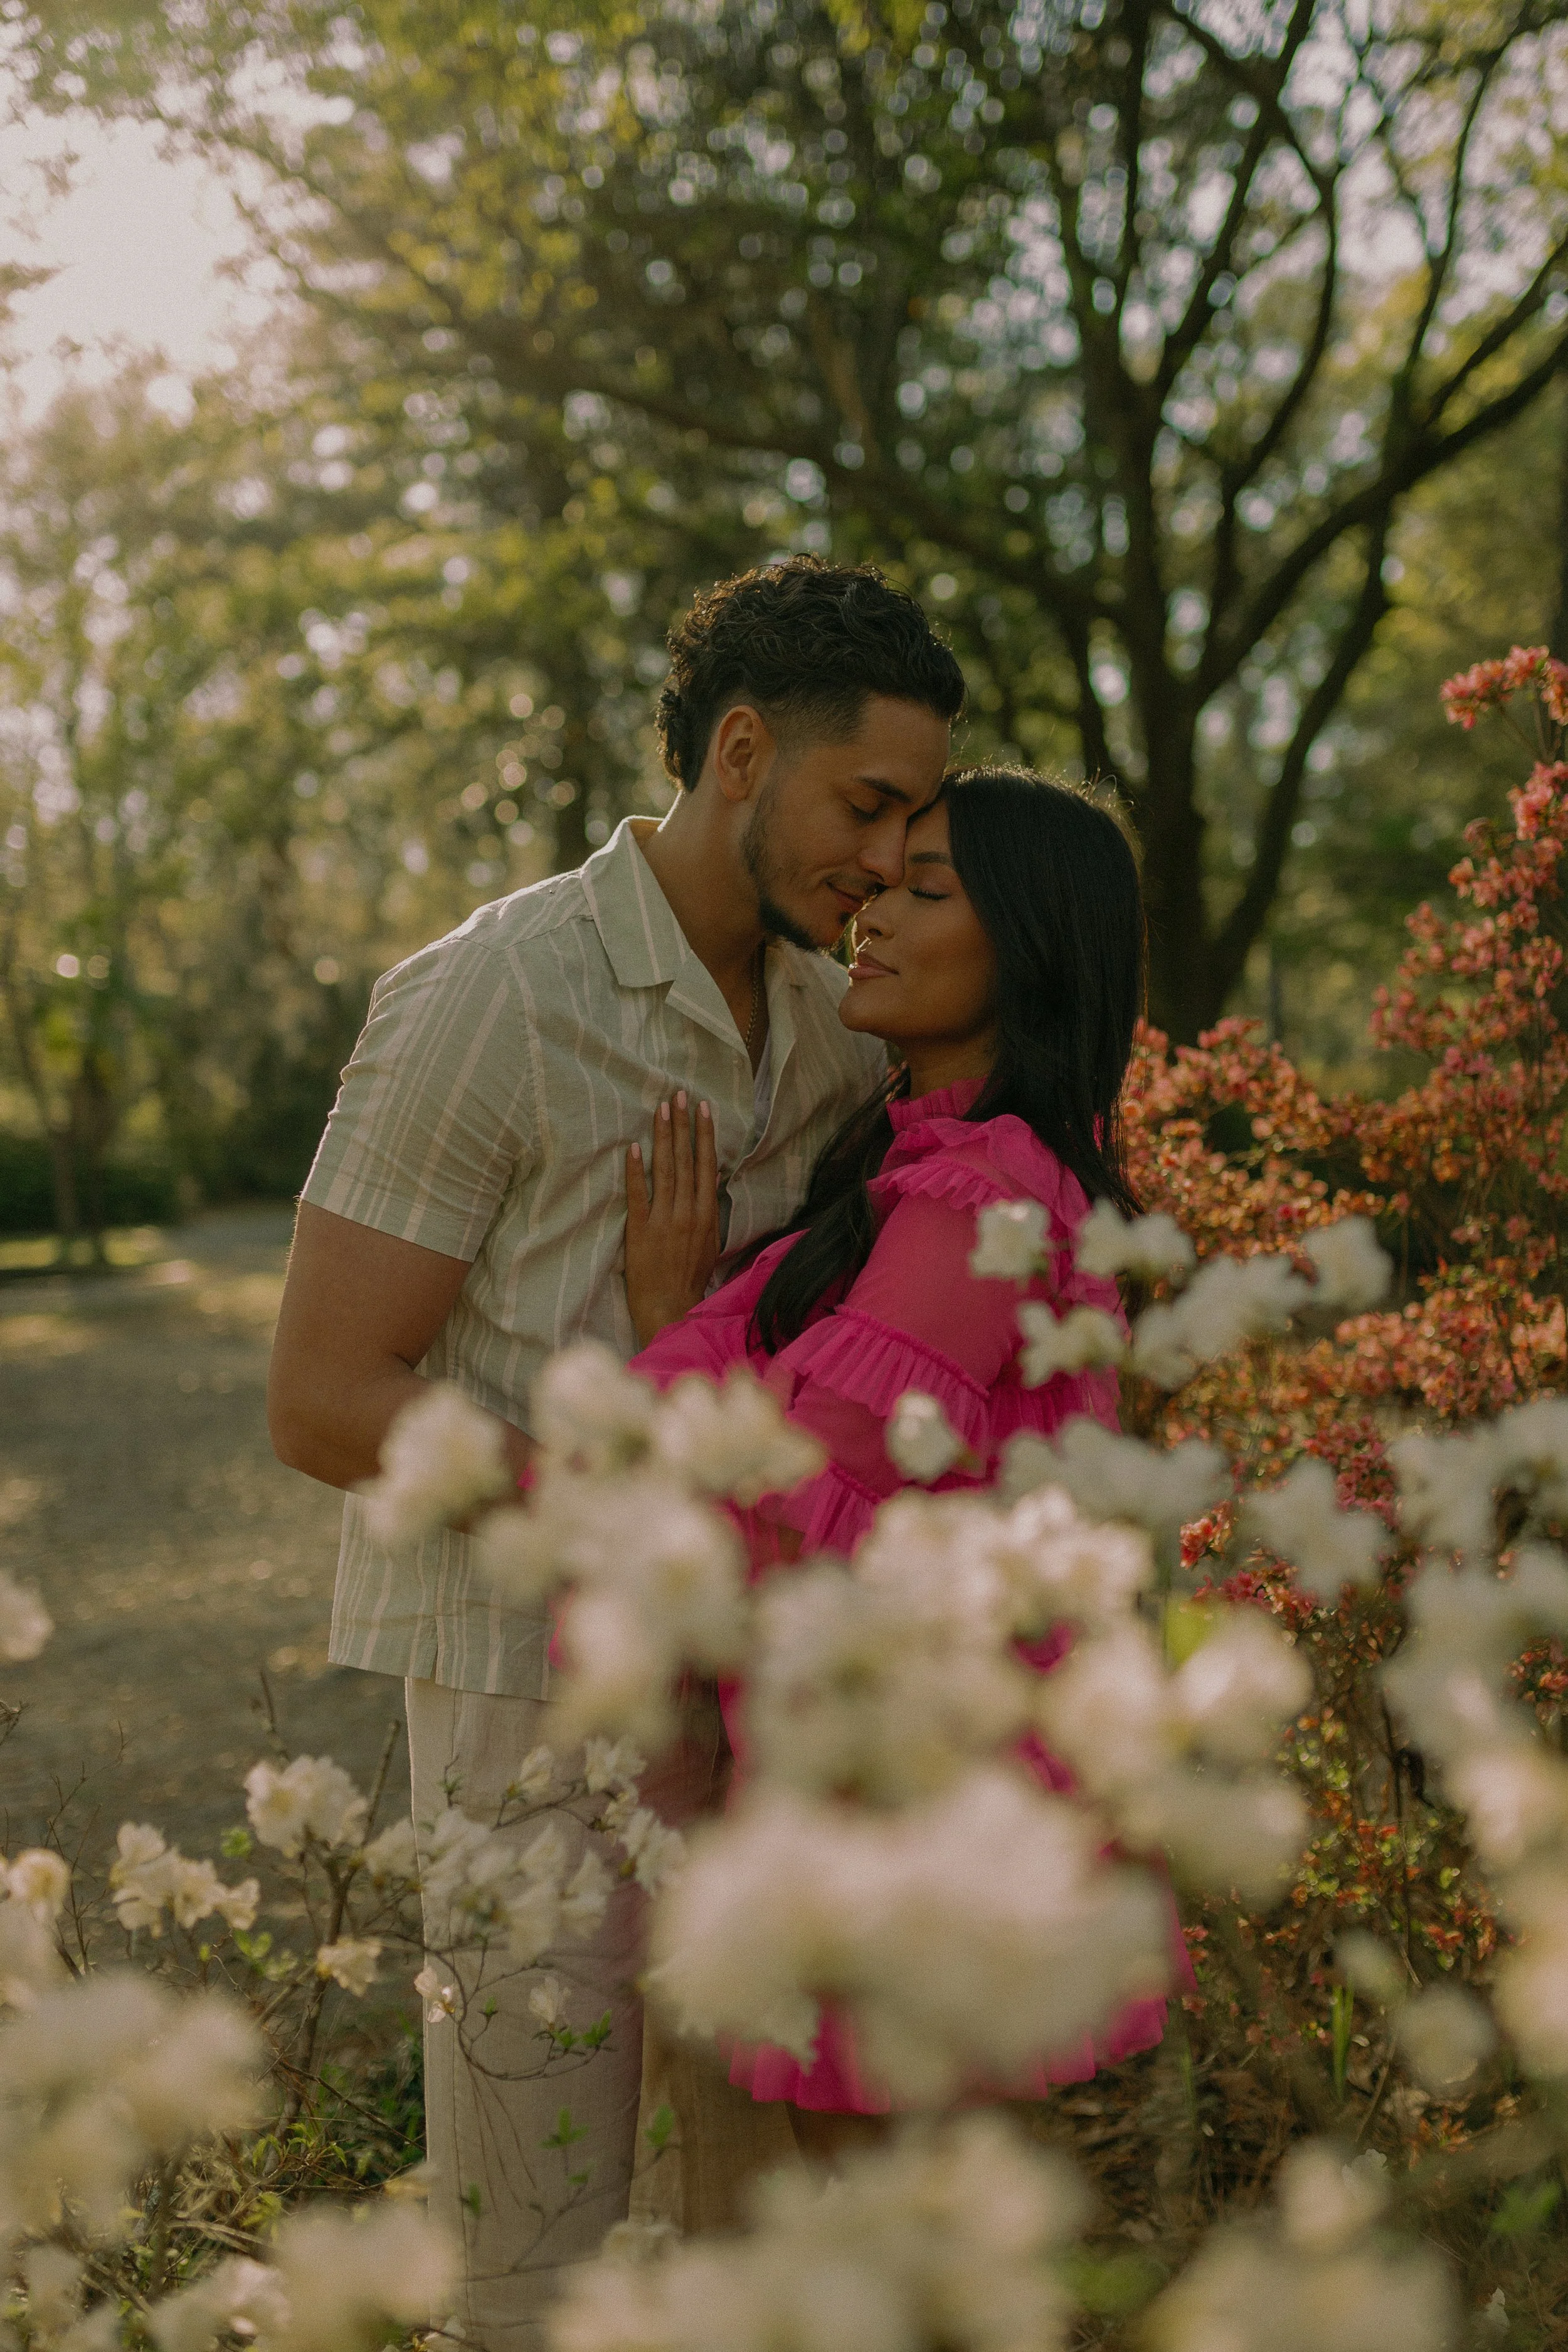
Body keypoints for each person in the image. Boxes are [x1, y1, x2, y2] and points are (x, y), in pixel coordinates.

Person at [265, 557, 964, 2349]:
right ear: (742, 752)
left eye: (914, 822)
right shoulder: (492, 993)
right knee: (536, 2225)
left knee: (718, 2218)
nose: (887, 860)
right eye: (863, 804)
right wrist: (629, 1489)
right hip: (517, 1685)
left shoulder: (833, 1023)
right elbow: (330, 1393)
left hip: (741, 1692)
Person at [623, 765, 1164, 2188]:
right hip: (880, 1778)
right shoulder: (913, 1171)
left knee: (909, 2244)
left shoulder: (982, 1197)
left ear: (1029, 947)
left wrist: (661, 1335)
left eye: (927, 891)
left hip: (922, 1806)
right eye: (875, 882)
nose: (868, 914)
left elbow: (793, 1488)